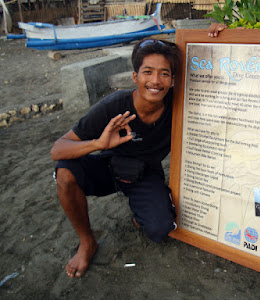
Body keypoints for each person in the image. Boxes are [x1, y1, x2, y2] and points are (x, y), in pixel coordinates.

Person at [51, 39, 181, 278]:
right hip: (109, 167)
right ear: (135, 77)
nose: (155, 81)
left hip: (146, 174)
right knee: (65, 171)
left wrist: (218, 32)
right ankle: (87, 242)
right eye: (147, 72)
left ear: (172, 80)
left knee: (161, 230)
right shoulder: (114, 106)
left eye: (164, 74)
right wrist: (98, 144)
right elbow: (57, 149)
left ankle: (141, 212)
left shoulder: (179, 103)